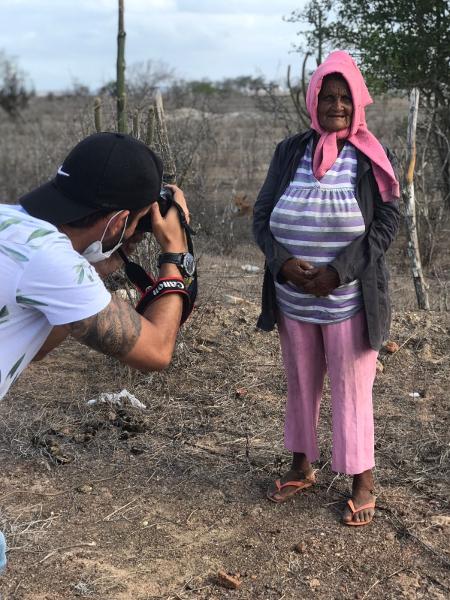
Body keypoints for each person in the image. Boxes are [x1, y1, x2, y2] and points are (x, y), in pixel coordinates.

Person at [253, 51, 400, 526]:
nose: (335, 105)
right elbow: (261, 217)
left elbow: (386, 224)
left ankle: (362, 480)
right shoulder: (289, 150)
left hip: (350, 299)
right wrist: (282, 264)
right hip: (294, 298)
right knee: (300, 381)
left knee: (352, 388)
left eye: (344, 98)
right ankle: (301, 465)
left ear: (357, 103)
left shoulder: (370, 156)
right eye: (327, 97)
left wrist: (339, 271)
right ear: (313, 100)